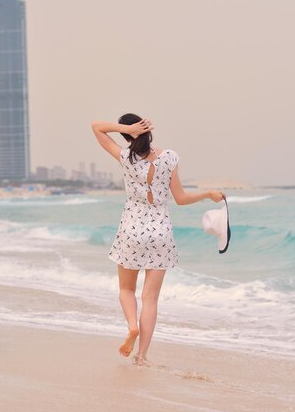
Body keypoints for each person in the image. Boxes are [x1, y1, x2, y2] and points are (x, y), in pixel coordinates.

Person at [91, 114, 224, 367]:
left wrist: (126, 129)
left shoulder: (125, 158)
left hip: (131, 229)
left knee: (126, 289)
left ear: (128, 134)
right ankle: (141, 356)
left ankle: (132, 327)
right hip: (160, 231)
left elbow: (96, 127)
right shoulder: (170, 157)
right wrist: (208, 194)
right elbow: (181, 198)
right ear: (148, 129)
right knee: (150, 299)